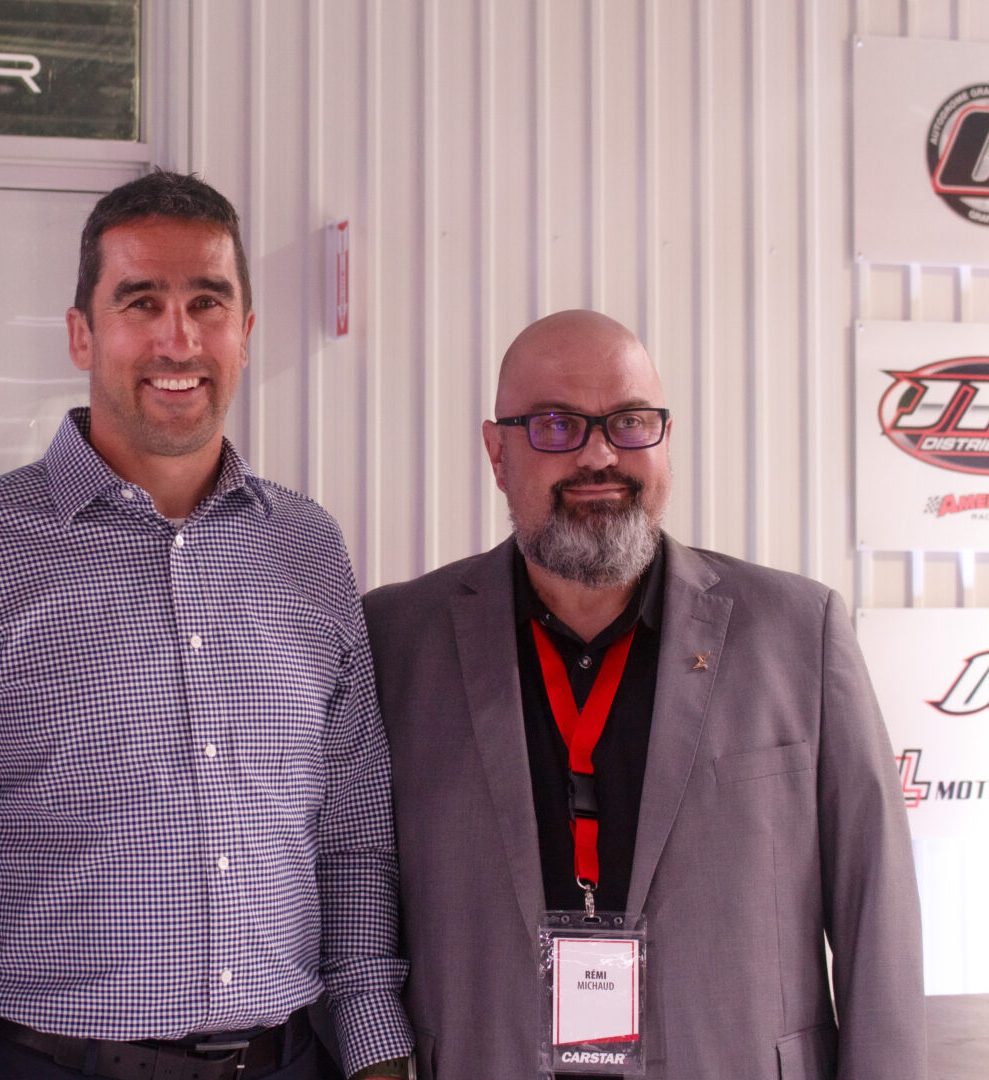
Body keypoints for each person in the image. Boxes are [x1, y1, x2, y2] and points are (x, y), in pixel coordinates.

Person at [0, 170, 411, 1080]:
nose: (176, 336)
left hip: (288, 1058)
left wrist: (374, 1051)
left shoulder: (308, 546)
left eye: (207, 301)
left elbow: (350, 836)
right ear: (82, 331)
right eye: (140, 300)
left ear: (244, 333)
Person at [363, 309, 925, 1079]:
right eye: (556, 425)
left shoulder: (799, 630)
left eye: (629, 422)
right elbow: (354, 890)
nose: (599, 455)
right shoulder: (395, 639)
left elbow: (876, 912)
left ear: (663, 438)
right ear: (496, 452)